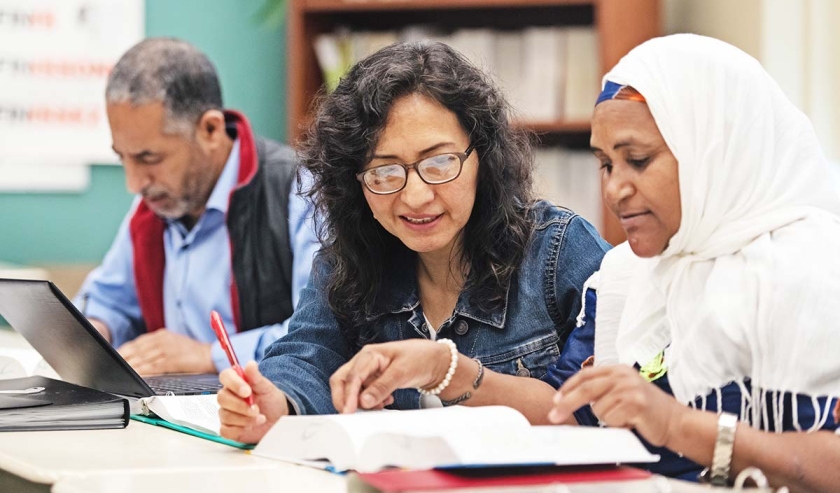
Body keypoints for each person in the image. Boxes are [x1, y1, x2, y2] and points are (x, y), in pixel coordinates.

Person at [215, 41, 610, 443]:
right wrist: (275, 404)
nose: (416, 197)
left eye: (439, 162)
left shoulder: (560, 250)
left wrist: (446, 370)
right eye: (384, 172)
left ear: (483, 158)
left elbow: (594, 412)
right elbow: (307, 357)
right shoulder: (350, 260)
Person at [545, 34, 840, 491]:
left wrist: (677, 424)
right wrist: (450, 370)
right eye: (605, 164)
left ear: (715, 151)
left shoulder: (816, 269)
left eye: (637, 160)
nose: (613, 189)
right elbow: (565, 411)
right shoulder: (630, 274)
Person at [75, 38, 319, 376]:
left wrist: (210, 355)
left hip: (263, 414)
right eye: (123, 157)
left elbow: (318, 338)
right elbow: (109, 301)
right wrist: (95, 331)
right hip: (167, 412)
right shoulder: (153, 204)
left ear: (210, 130)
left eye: (149, 157)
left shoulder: (299, 192)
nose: (134, 183)